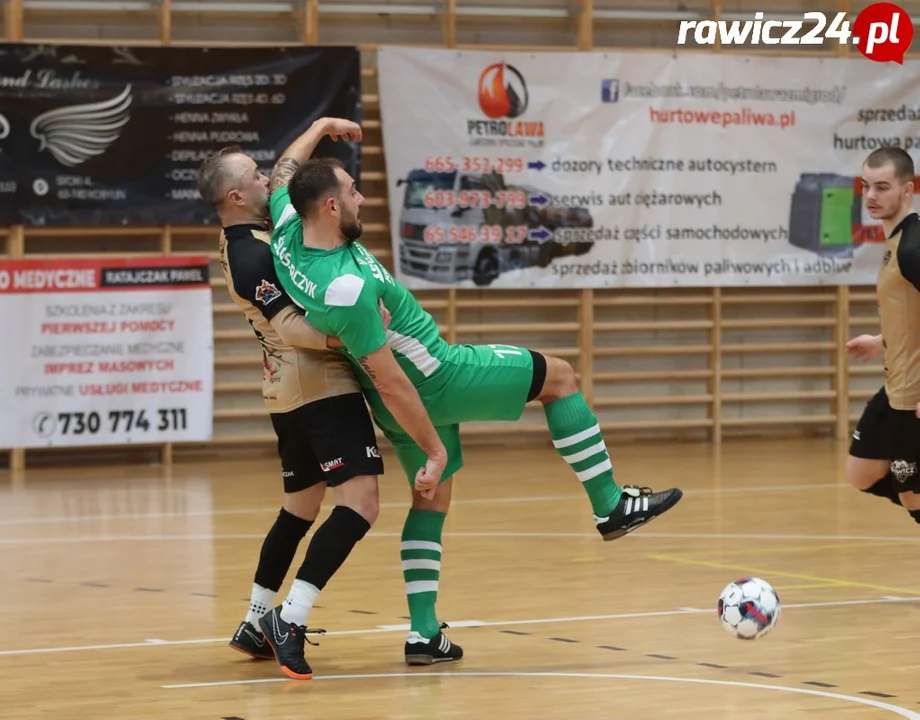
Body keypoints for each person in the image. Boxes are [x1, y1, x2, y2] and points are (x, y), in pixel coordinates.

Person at [266, 123, 684, 666]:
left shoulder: (287, 229)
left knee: (431, 497)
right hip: (436, 377)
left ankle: (423, 636)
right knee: (559, 377)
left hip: (394, 394)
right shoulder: (346, 288)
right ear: (328, 206)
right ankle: (610, 506)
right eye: (352, 191)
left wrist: (321, 128)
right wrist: (434, 448)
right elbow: (393, 378)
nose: (361, 198)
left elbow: (284, 171)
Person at [196, 120, 384, 681]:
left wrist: (321, 127)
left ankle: (255, 620)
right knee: (361, 502)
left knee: (299, 508)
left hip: (285, 390)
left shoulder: (246, 238)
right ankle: (291, 619)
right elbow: (295, 330)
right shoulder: (252, 256)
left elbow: (284, 169)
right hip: (316, 382)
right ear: (236, 196)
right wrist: (355, 337)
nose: (267, 179)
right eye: (255, 177)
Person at [844, 146, 920, 520]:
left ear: (907, 190)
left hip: (914, 395)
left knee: (912, 497)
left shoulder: (914, 247)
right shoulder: (895, 242)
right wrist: (881, 341)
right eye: (866, 186)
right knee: (861, 471)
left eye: (882, 187)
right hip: (895, 384)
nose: (871, 196)